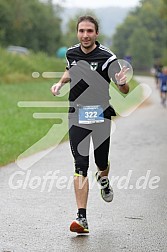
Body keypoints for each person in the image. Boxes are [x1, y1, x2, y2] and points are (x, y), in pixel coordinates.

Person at [51, 15, 129, 234]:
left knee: (101, 160)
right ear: (78, 33)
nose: (85, 35)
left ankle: (103, 179)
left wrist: (123, 84)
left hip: (101, 114)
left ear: (96, 33)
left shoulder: (107, 57)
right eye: (82, 31)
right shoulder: (71, 53)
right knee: (80, 164)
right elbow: (70, 69)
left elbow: (123, 89)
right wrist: (59, 83)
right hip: (77, 114)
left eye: (89, 31)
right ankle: (82, 218)